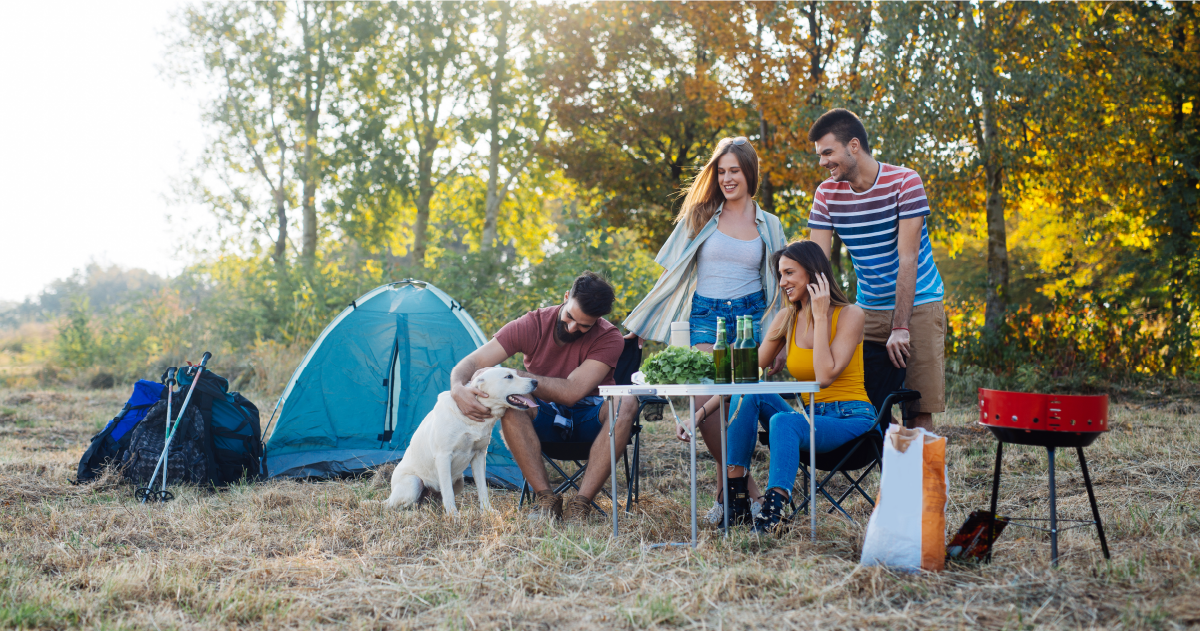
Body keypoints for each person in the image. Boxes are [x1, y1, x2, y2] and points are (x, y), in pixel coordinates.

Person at [622, 136, 788, 524]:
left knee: (735, 407)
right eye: (722, 171)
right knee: (707, 405)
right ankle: (748, 493)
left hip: (750, 321)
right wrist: (643, 322)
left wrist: (778, 342)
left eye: (735, 171)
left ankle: (723, 498)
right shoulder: (699, 215)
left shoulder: (770, 225)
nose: (728, 178)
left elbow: (780, 288)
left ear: (750, 173)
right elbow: (670, 275)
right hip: (705, 319)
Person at [449, 272, 638, 522]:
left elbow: (572, 393)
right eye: (570, 316)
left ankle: (581, 504)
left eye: (584, 326)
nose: (573, 328)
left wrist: (515, 374)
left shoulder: (609, 337)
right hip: (545, 415)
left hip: (591, 419)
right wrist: (457, 387)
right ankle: (546, 500)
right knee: (511, 403)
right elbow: (474, 361)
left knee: (627, 402)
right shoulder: (533, 324)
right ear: (566, 297)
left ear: (598, 320)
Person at [718, 240, 877, 533]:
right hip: (810, 417)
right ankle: (736, 497)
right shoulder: (786, 318)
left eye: (789, 273)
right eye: (780, 275)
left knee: (783, 421)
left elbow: (825, 375)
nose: (782, 283)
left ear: (814, 273)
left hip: (852, 419)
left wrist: (819, 315)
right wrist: (701, 411)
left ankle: (772, 514)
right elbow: (746, 376)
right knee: (751, 393)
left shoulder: (850, 314)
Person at [806, 108, 946, 430]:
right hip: (866, 310)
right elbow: (817, 263)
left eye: (828, 152)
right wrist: (815, 321)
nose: (822, 162)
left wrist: (901, 326)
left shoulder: (905, 182)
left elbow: (907, 260)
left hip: (919, 303)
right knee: (864, 400)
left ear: (854, 145)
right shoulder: (827, 193)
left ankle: (923, 480)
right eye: (819, 155)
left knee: (917, 408)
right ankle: (894, 469)